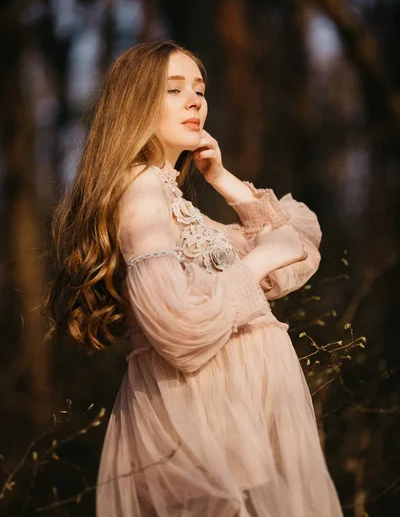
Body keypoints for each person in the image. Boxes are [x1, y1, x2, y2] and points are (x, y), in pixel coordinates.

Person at [45, 40, 343, 516]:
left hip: (233, 411)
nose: (194, 101)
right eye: (173, 89)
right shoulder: (141, 189)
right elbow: (178, 326)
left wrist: (222, 179)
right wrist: (259, 261)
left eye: (199, 90)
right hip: (202, 418)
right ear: (136, 103)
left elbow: (299, 255)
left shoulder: (173, 201)